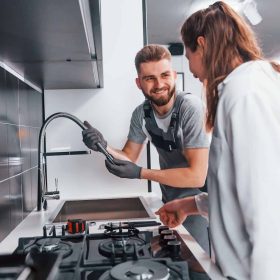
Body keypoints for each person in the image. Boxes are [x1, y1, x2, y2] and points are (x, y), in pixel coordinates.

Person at [156, 2, 280, 280]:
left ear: (202, 45)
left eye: (188, 56)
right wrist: (190, 205)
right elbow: (241, 192)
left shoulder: (245, 93)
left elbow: (267, 206)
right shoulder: (242, 88)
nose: (192, 69)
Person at [82, 44, 210, 256]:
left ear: (174, 75)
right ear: (139, 82)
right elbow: (128, 157)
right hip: (171, 202)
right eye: (150, 78)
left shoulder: (190, 108)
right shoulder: (141, 114)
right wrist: (103, 146)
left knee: (197, 268)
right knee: (175, 264)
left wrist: (141, 173)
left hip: (200, 204)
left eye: (165, 75)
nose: (159, 84)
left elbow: (197, 177)